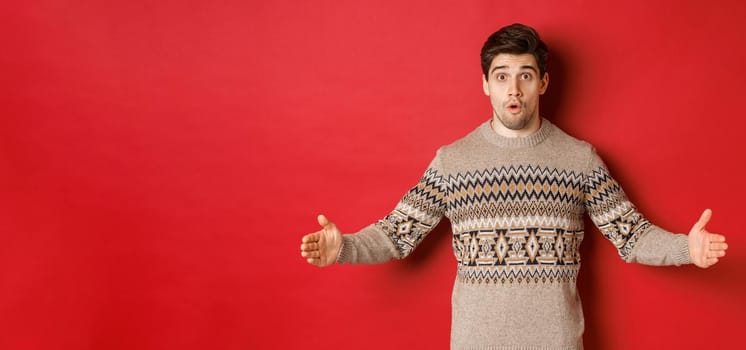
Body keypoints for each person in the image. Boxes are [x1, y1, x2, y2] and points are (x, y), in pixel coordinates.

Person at [299, 23, 728, 349]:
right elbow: (398, 233)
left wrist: (684, 249)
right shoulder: (453, 161)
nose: (514, 88)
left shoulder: (579, 159)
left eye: (525, 75)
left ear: (542, 83)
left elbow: (631, 236)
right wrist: (345, 248)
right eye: (501, 76)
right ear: (485, 84)